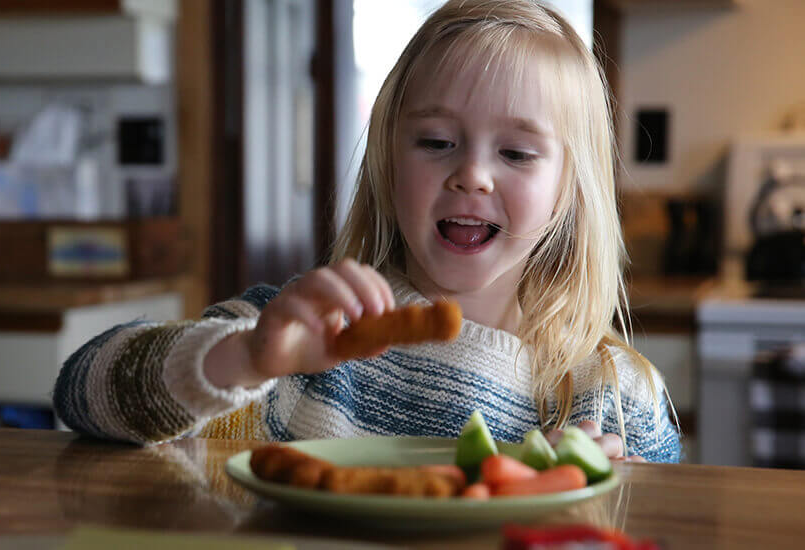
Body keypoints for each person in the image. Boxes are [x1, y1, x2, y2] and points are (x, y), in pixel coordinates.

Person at [53, 0, 681, 463]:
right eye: (436, 142)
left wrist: (586, 494)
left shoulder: (615, 398)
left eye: (517, 154)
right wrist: (244, 358)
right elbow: (81, 388)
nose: (471, 175)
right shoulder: (299, 346)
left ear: (570, 190)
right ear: (386, 160)